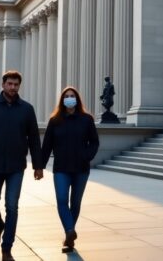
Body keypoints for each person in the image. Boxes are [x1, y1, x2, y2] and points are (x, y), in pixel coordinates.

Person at [0, 70, 43, 261]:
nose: (13, 87)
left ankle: (7, 248)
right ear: (3, 85)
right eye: (10, 84)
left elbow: (34, 139)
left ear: (19, 86)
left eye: (16, 84)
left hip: (16, 167)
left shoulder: (27, 109)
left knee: (12, 206)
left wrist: (38, 165)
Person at [42, 86, 99, 253]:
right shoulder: (55, 121)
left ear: (77, 99)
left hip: (81, 168)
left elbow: (94, 142)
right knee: (61, 200)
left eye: (72, 96)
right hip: (61, 168)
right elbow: (47, 146)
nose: (69, 98)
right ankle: (69, 231)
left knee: (75, 203)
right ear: (62, 100)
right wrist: (40, 166)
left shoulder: (86, 119)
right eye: (66, 96)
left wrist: (87, 155)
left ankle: (69, 238)